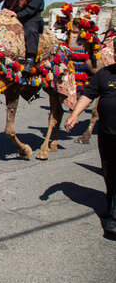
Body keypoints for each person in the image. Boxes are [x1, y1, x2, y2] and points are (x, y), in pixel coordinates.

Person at [64, 39, 116, 237]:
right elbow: (88, 94)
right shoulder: (105, 74)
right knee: (109, 171)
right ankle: (111, 205)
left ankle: (114, 219)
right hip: (107, 132)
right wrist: (75, 114)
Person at [0, 0, 44, 76]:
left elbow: (32, 9)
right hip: (12, 18)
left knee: (30, 30)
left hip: (30, 18)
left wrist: (17, 15)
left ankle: (30, 60)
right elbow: (6, 4)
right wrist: (5, 11)